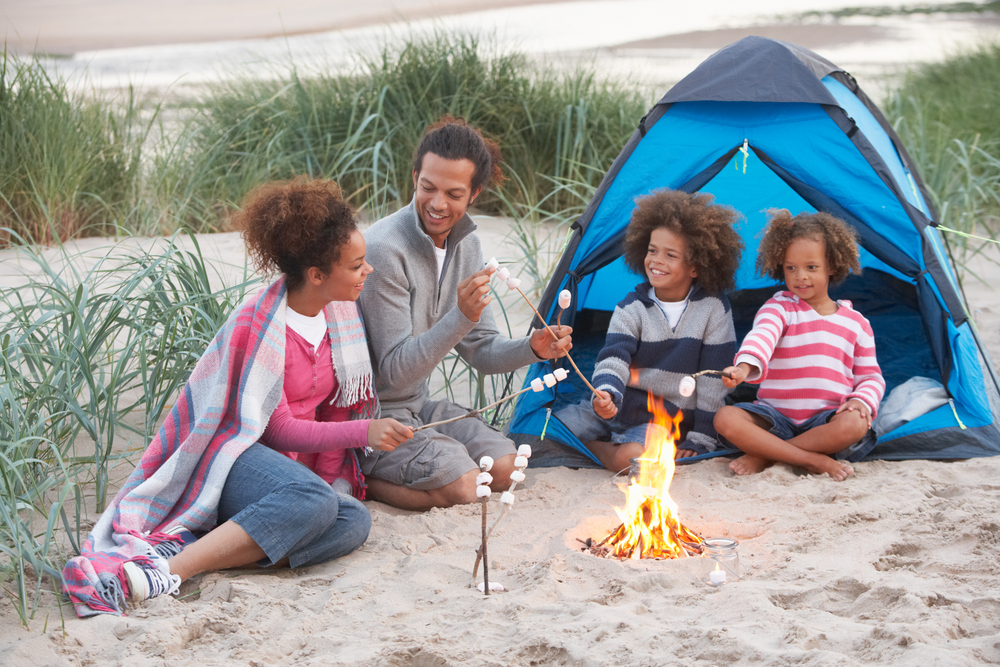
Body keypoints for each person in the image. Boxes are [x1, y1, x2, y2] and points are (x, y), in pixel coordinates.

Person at [62, 178, 413, 616]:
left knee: (352, 520)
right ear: (318, 275)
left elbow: (333, 409)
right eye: (358, 264)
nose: (369, 271)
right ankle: (170, 570)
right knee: (313, 503)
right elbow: (276, 427)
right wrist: (366, 432)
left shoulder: (340, 315)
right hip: (235, 458)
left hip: (289, 479)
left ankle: (219, 550)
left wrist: (327, 482)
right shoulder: (260, 323)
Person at [357, 116, 572, 510]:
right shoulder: (385, 250)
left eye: (453, 194)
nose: (438, 204)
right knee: (469, 488)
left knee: (509, 469)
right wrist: (461, 317)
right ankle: (360, 478)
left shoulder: (467, 244)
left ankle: (431, 459)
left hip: (418, 406)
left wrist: (535, 348)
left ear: (473, 194)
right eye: (428, 188)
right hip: (374, 417)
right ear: (414, 177)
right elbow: (393, 371)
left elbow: (482, 351)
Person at [555, 189, 743, 473]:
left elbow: (713, 381)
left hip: (659, 420)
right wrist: (605, 394)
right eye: (652, 250)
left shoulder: (713, 309)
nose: (656, 260)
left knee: (635, 460)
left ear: (695, 266)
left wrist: (702, 437)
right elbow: (613, 359)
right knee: (545, 431)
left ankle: (593, 449)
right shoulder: (631, 307)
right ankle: (589, 438)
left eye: (671, 255)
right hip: (617, 405)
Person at [714, 210, 885, 481]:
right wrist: (744, 368)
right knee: (725, 418)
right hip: (774, 417)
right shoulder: (779, 307)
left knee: (856, 423)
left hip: (825, 421)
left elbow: (871, 377)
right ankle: (809, 459)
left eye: (811, 267)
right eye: (790, 267)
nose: (800, 276)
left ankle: (767, 454)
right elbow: (761, 337)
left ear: (831, 265)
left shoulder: (856, 323)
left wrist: (862, 400)